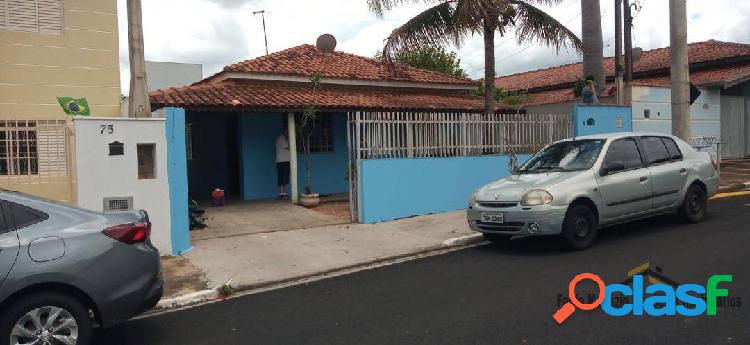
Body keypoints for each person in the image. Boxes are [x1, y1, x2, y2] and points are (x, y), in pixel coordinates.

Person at [276, 128, 291, 199]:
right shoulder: (281, 139)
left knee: (284, 178)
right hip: (282, 161)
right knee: (282, 178)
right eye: (288, 132)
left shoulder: (284, 138)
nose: (288, 134)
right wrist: (289, 139)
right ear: (284, 132)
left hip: (285, 161)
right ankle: (281, 194)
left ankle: (283, 194)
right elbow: (289, 147)